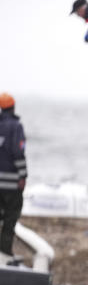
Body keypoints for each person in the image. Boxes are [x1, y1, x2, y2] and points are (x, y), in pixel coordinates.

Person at [0, 93, 27, 266]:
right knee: (10, 218)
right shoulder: (15, 127)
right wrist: (23, 175)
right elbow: (18, 152)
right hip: (11, 185)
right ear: (13, 106)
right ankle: (5, 253)